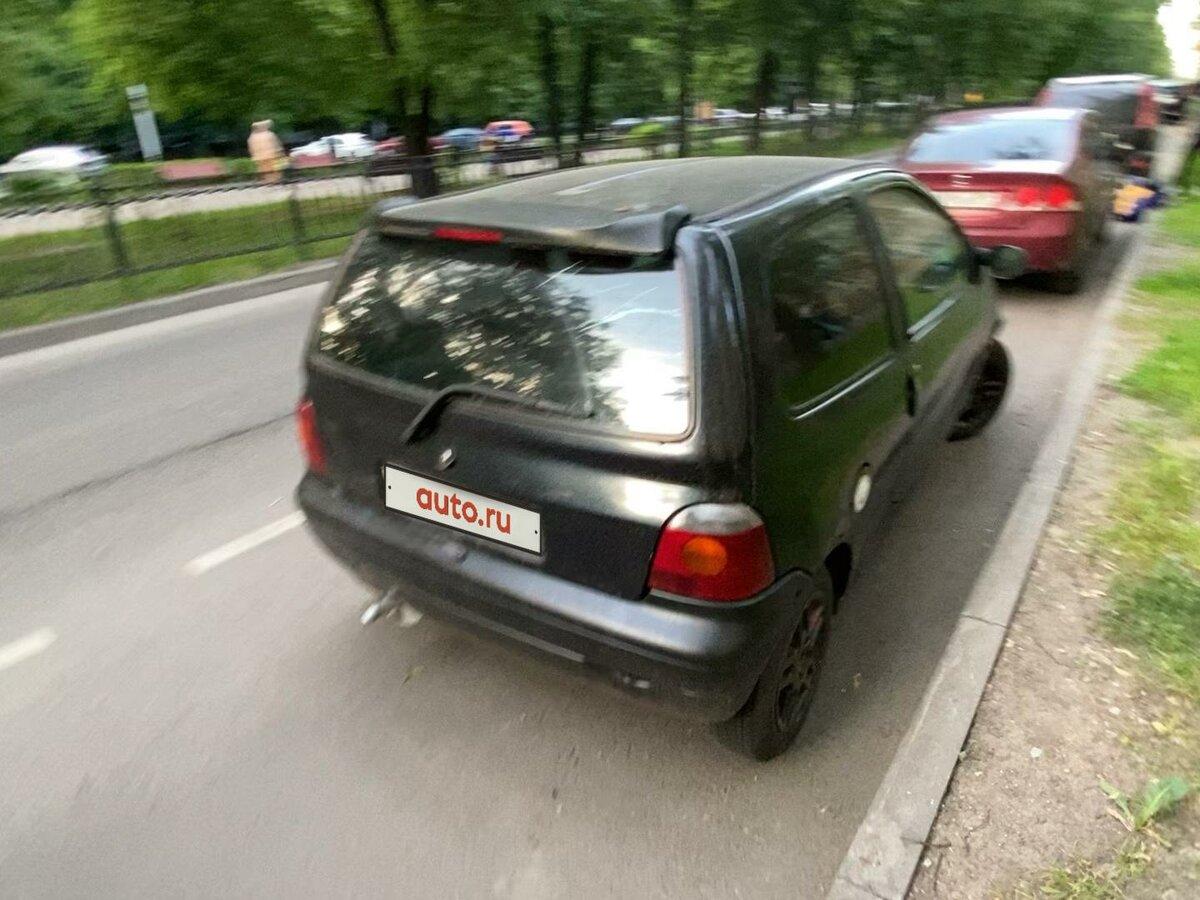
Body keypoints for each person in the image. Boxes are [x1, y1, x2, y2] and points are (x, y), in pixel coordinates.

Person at [247, 120, 285, 184]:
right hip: (271, 155)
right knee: (274, 169)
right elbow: (276, 145)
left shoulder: (252, 137)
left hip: (259, 157)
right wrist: (280, 152)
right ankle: (274, 181)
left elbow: (251, 148)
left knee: (264, 169)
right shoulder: (269, 134)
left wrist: (253, 155)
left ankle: (268, 181)